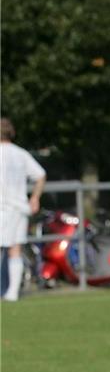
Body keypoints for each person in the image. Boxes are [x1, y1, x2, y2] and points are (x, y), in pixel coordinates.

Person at [0, 118, 47, 301]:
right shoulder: (21, 154)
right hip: (19, 207)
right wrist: (34, 198)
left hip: (3, 207)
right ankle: (12, 292)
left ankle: (8, 290)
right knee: (15, 249)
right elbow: (40, 175)